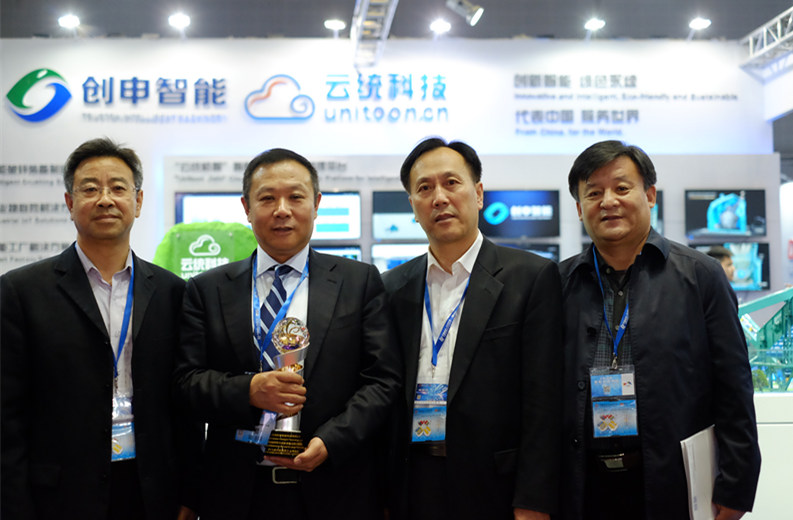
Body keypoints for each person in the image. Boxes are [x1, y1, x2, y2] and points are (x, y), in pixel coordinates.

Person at [174, 148, 401, 519]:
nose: (282, 209)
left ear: (316, 204)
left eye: (296, 197)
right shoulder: (207, 289)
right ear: (247, 207)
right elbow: (186, 382)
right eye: (267, 198)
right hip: (236, 493)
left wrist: (332, 440)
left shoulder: (358, 282)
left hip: (335, 489)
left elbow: (382, 380)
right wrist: (248, 390)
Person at [560, 140, 761, 520]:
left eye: (622, 188)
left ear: (650, 195)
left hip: (673, 486)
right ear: (579, 208)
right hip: (581, 490)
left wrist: (736, 487)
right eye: (594, 193)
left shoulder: (700, 276)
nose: (608, 201)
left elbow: (734, 388)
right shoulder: (559, 284)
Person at [1, 138, 199, 519]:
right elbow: (7, 416)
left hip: (151, 491)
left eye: (118, 188)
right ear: (69, 203)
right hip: (59, 495)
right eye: (90, 189)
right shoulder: (21, 291)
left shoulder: (172, 292)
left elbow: (184, 405)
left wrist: (190, 494)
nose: (105, 199)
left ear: (138, 202)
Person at [382, 137, 563, 520]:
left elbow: (544, 401)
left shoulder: (530, 277)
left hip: (495, 487)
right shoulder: (391, 287)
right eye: (424, 188)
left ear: (478, 194)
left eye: (451, 183)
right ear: (412, 206)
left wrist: (534, 500)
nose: (439, 198)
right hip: (412, 484)